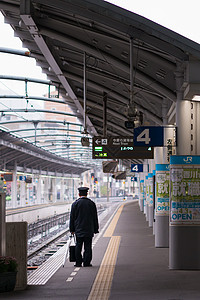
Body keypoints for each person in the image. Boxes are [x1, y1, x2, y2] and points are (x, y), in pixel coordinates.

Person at [69, 187, 99, 267]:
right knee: (88, 246)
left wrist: (72, 229)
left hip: (78, 229)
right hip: (89, 229)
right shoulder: (91, 204)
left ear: (79, 194)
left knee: (78, 246)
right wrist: (96, 229)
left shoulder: (75, 204)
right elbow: (95, 217)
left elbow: (72, 218)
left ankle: (78, 263)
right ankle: (87, 262)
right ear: (87, 194)